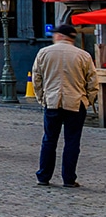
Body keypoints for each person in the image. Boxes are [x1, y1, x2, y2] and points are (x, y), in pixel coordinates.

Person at [32, 23, 100, 187]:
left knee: (49, 140)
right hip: (75, 103)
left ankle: (43, 176)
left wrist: (42, 98)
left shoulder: (44, 53)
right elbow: (92, 82)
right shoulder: (83, 55)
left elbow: (37, 79)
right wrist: (88, 100)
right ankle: (69, 179)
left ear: (60, 36)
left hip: (53, 102)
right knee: (72, 141)